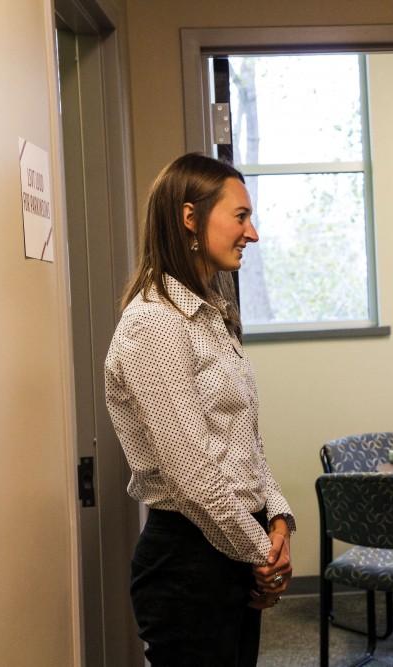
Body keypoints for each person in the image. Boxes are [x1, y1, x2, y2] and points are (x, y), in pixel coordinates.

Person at [104, 153, 296, 666]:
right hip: (189, 562)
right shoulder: (155, 325)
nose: (251, 233)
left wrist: (278, 518)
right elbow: (193, 477)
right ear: (190, 218)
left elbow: (242, 445)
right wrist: (262, 555)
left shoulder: (211, 312)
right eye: (240, 216)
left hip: (232, 546)